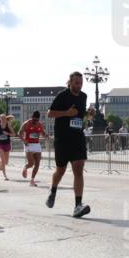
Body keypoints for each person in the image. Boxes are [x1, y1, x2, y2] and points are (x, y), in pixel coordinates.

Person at [45, 71, 90, 217]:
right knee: (61, 170)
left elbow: (80, 115)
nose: (79, 85)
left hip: (77, 138)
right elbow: (50, 113)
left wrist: (89, 114)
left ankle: (78, 205)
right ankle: (53, 191)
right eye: (76, 83)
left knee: (78, 169)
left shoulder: (83, 97)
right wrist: (66, 113)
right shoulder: (62, 95)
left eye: (81, 83)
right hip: (62, 139)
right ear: (70, 82)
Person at [20, 110, 47, 187]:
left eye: (37, 120)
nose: (35, 121)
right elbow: (19, 133)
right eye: (34, 120)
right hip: (28, 144)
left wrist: (46, 135)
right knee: (31, 163)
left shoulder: (40, 125)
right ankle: (25, 167)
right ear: (32, 117)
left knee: (37, 163)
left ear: (39, 119)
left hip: (37, 144)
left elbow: (43, 133)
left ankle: (32, 180)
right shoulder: (26, 124)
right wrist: (24, 140)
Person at [0, 113, 14, 180]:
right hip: (0, 144)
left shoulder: (8, 126)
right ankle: (5, 175)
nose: (3, 120)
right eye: (1, 118)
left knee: (6, 162)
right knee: (3, 160)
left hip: (7, 144)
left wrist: (8, 133)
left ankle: (0, 163)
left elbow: (14, 134)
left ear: (6, 119)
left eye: (4, 118)